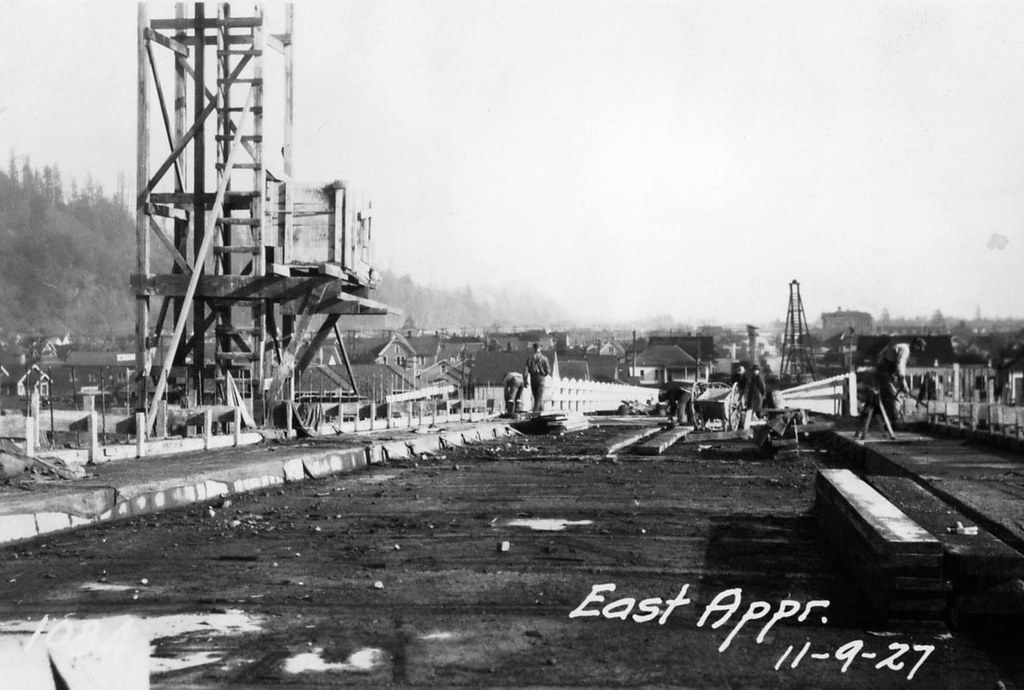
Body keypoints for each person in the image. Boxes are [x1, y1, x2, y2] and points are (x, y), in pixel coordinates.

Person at [875, 337, 927, 428]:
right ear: (915, 344)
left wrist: (904, 385)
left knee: (888, 399)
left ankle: (886, 422)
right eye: (919, 348)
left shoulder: (904, 348)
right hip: (885, 374)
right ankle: (895, 423)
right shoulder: (905, 350)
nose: (918, 351)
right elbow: (900, 366)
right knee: (895, 398)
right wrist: (903, 382)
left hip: (886, 374)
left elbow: (899, 369)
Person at [524, 343, 551, 414]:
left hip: (533, 378)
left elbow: (525, 370)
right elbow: (548, 371)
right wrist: (543, 374)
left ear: (534, 348)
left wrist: (525, 380)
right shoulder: (544, 358)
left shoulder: (530, 358)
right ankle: (535, 413)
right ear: (540, 348)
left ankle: (540, 411)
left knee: (536, 396)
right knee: (539, 397)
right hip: (541, 378)